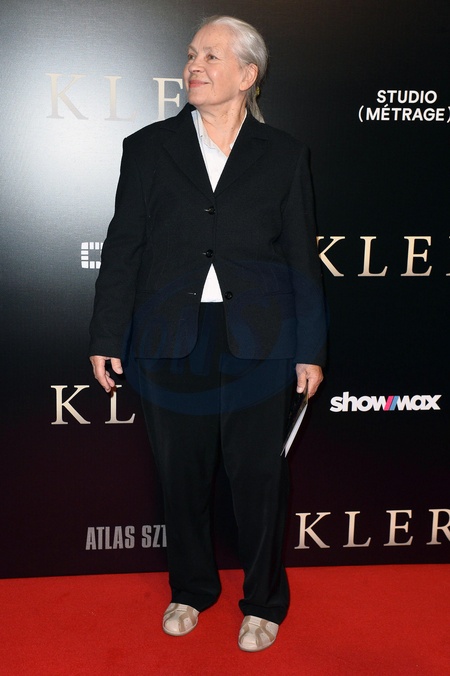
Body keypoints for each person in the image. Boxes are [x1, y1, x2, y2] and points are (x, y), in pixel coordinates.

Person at [89, 15, 326, 652]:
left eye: (212, 56)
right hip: (170, 336)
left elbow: (302, 260)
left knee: (260, 480)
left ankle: (263, 601)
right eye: (192, 54)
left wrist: (310, 349)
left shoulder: (285, 155)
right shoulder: (147, 148)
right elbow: (124, 247)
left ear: (247, 75)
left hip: (261, 341)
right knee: (181, 476)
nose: (195, 65)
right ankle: (191, 589)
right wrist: (107, 335)